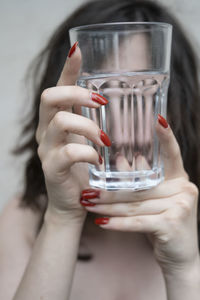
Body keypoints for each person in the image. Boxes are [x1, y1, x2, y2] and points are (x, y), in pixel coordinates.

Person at [0, 0, 200, 299]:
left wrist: (184, 269)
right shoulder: (24, 218)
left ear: (176, 102)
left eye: (140, 95)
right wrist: (63, 216)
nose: (117, 123)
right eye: (99, 98)